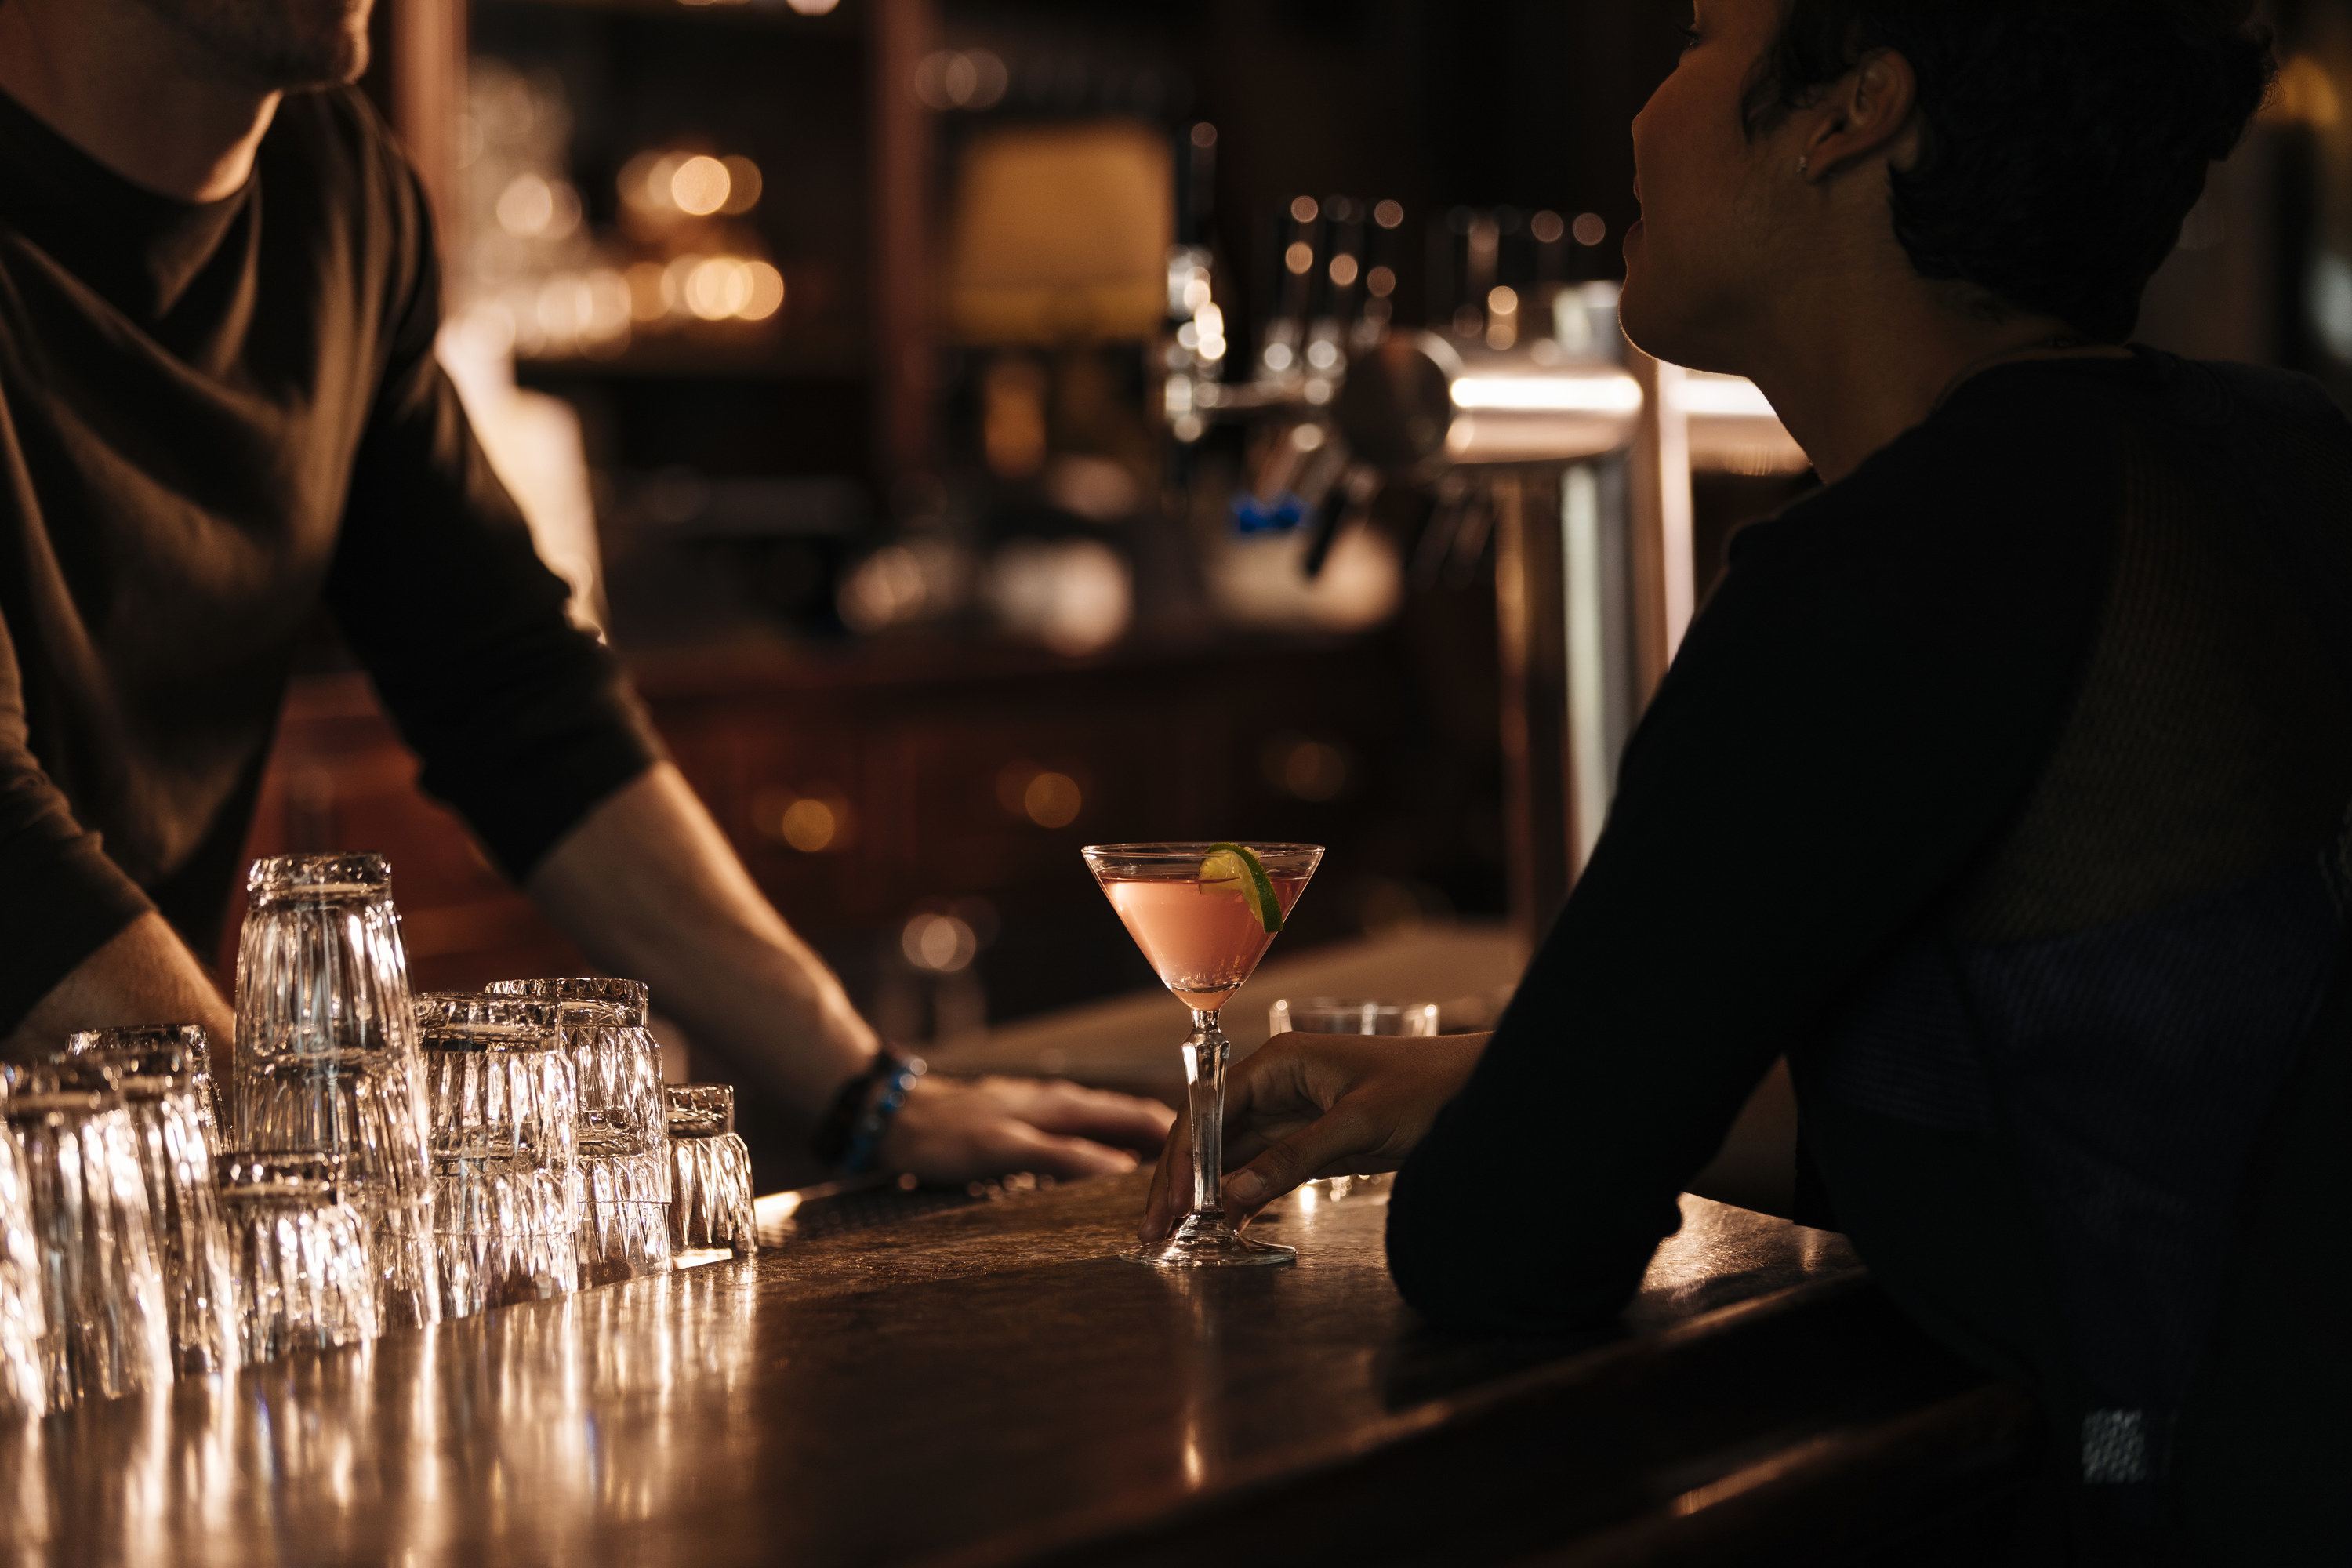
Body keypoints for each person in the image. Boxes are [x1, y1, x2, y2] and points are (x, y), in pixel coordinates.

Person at [1141, 0, 2349, 1555]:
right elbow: (2126, 1084)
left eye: (1702, 38)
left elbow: (1504, 1241)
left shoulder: (1894, 571)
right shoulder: (2281, 450)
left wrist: (1548, 1110)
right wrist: (1520, 1078)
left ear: (1850, 113)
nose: (1646, 112)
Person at [0, 0, 1174, 1185]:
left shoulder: (339, 184)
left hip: (112, 1173)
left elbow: (512, 686)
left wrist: (869, 1094)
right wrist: (297, 1191)